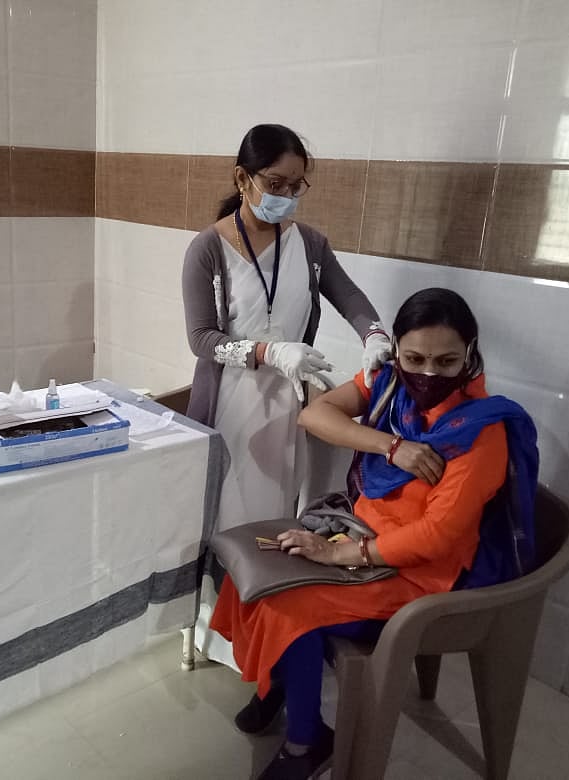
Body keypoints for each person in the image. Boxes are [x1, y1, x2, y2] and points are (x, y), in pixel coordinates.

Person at [209, 287, 538, 780]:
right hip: (362, 534)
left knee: (286, 607)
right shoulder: (389, 387)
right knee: (248, 575)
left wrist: (338, 556)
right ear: (396, 351)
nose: (429, 374)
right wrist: (392, 446)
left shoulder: (482, 430)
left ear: (471, 353)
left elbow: (435, 538)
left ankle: (307, 742)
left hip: (419, 573)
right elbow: (314, 415)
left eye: (447, 361)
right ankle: (280, 683)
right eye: (415, 358)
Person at [182, 124, 391, 664]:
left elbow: (351, 297)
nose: (286, 196)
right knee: (231, 517)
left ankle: (277, 635)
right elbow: (201, 338)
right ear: (243, 178)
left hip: (295, 403)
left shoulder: (311, 246)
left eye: (298, 185)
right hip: (232, 403)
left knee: (288, 516)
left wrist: (374, 335)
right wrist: (267, 353)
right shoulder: (207, 249)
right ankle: (224, 634)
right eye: (276, 182)